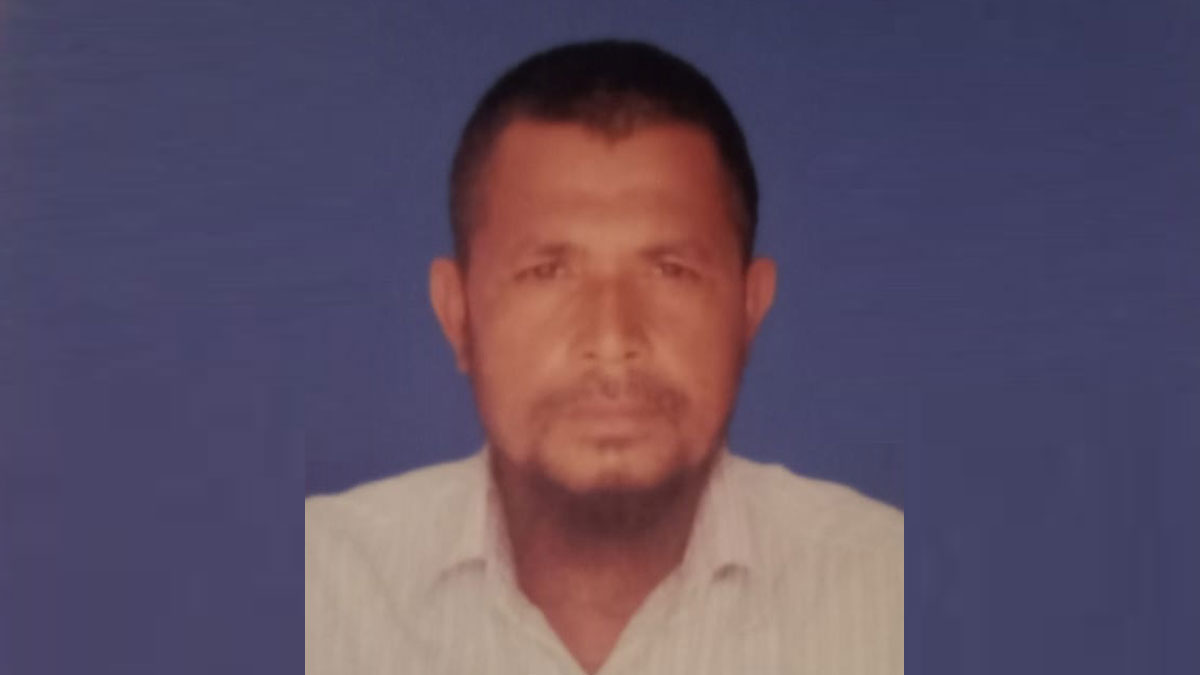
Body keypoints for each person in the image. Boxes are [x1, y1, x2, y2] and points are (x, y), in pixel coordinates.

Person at [305, 39, 903, 674]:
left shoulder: (887, 590)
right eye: (547, 272)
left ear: (750, 308)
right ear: (457, 315)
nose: (613, 339)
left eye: (670, 271)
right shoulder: (316, 589)